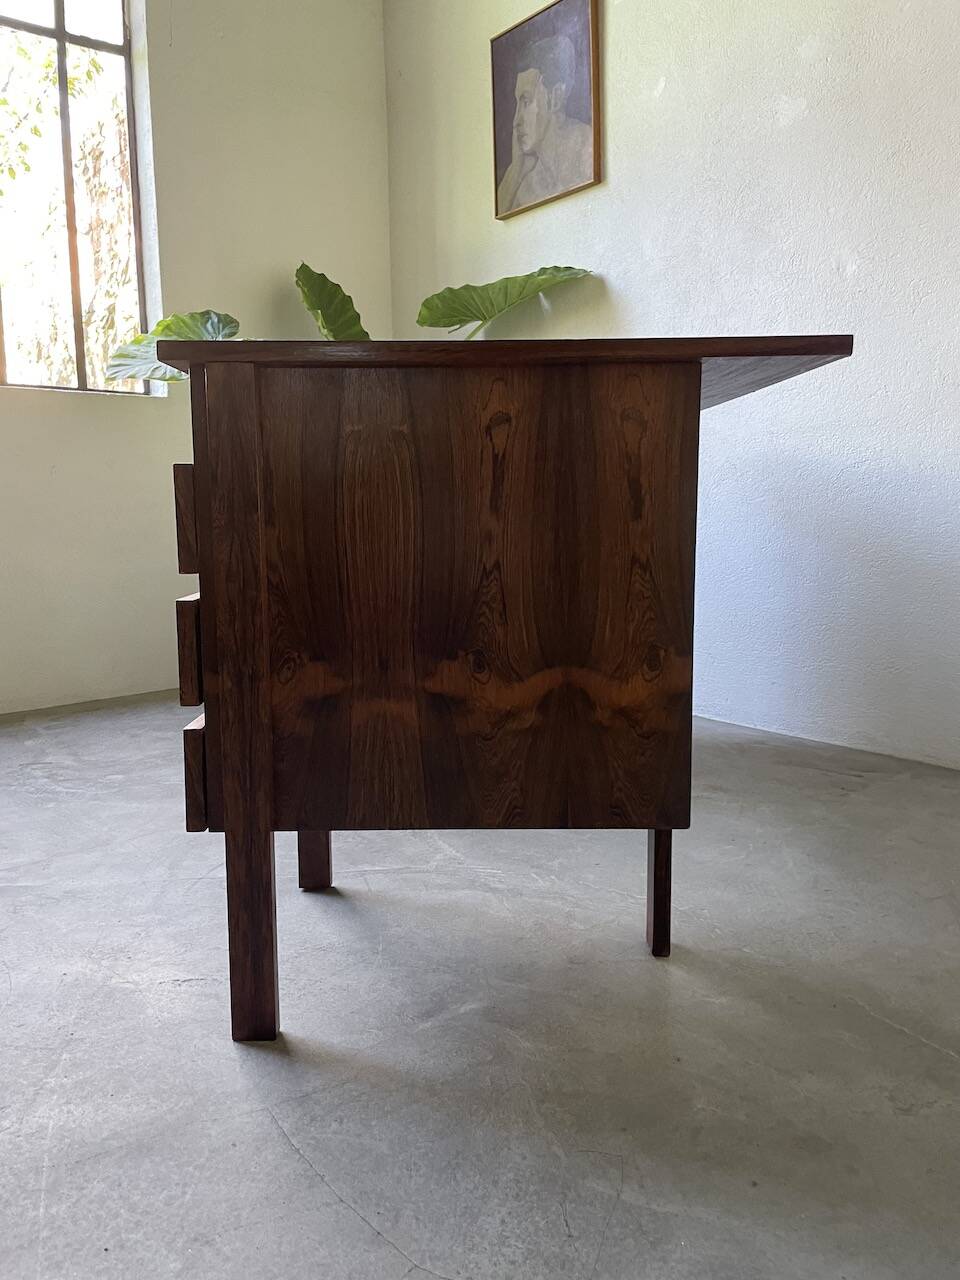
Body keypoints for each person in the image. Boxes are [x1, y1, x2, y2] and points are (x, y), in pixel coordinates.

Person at [497, 33, 593, 215]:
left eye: (526, 102)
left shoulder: (588, 148)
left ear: (555, 97)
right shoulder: (528, 181)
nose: (516, 121)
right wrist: (515, 172)